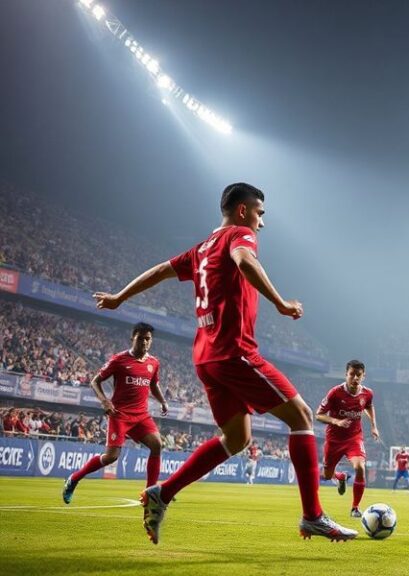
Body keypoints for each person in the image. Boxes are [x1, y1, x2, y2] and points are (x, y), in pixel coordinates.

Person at [93, 182, 357, 543]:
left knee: (237, 437)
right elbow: (245, 261)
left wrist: (119, 297)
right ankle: (313, 515)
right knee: (302, 416)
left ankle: (163, 493)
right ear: (244, 211)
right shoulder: (240, 235)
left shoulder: (200, 249)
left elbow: (158, 271)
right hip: (234, 351)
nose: (262, 223)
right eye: (260, 214)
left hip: (206, 358)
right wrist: (281, 303)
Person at [62, 323, 168, 504]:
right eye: (141, 338)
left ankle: (150, 493)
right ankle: (74, 479)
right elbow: (95, 381)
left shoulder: (153, 363)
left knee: (157, 445)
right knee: (111, 457)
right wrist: (104, 400)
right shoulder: (119, 360)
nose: (144, 342)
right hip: (120, 414)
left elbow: (153, 384)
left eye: (148, 339)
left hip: (141, 415)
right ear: (133, 338)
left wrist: (163, 401)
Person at [316, 359, 378, 517]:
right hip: (334, 440)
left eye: (359, 375)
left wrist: (373, 426)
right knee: (327, 476)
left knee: (360, 468)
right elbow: (319, 415)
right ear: (346, 375)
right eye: (352, 374)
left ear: (363, 376)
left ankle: (355, 508)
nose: (355, 378)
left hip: (354, 439)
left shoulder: (367, 394)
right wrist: (336, 421)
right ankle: (340, 476)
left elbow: (369, 406)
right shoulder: (335, 393)